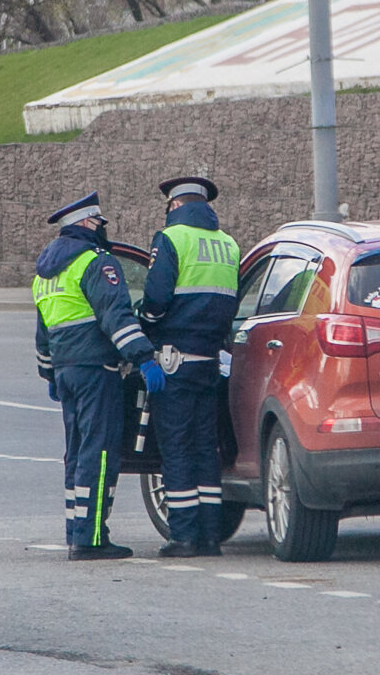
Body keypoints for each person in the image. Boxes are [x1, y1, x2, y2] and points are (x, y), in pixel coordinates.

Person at [33, 191, 167, 561]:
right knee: (101, 451)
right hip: (96, 371)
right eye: (100, 223)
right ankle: (92, 540)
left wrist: (49, 374)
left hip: (65, 372)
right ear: (90, 224)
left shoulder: (46, 272)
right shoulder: (96, 263)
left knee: (76, 453)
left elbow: (43, 333)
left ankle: (76, 531)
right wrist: (145, 358)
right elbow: (116, 317)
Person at [137, 176, 240, 558]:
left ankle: (183, 536)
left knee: (176, 449)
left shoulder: (172, 239)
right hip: (211, 361)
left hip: (175, 359)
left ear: (175, 205)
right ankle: (211, 536)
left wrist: (142, 321)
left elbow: (157, 299)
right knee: (205, 448)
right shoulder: (228, 244)